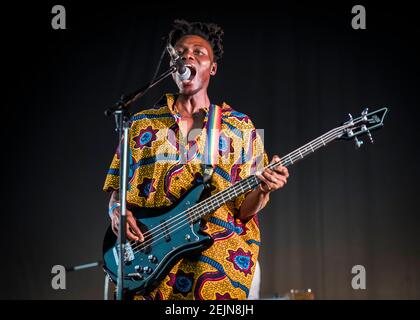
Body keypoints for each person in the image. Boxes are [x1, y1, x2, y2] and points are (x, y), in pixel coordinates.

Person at [103, 19, 289, 300]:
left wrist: (263, 188)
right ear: (172, 66)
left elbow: (244, 211)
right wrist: (116, 212)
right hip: (148, 261)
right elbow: (118, 191)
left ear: (212, 68)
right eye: (180, 53)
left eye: (198, 52)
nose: (187, 56)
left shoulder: (240, 126)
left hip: (214, 265)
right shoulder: (141, 124)